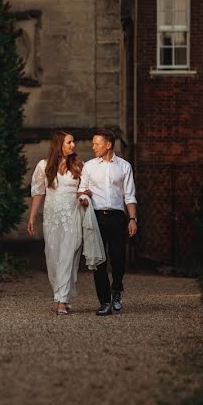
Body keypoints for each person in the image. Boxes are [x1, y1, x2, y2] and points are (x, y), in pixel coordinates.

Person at [27, 131, 104, 315]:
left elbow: (86, 189)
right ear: (59, 144)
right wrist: (31, 217)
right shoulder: (43, 166)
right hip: (52, 218)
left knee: (68, 257)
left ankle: (61, 300)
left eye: (73, 142)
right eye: (69, 142)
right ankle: (63, 294)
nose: (73, 145)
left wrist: (85, 197)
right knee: (53, 258)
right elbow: (38, 192)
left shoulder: (79, 165)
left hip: (73, 216)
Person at [79, 128, 138, 316]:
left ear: (108, 145)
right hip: (95, 217)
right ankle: (104, 301)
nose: (93, 146)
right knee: (98, 260)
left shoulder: (124, 166)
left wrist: (133, 219)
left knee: (118, 258)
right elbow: (82, 189)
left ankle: (117, 291)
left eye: (97, 143)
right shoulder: (88, 166)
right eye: (93, 143)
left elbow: (129, 195)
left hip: (117, 217)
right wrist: (83, 197)